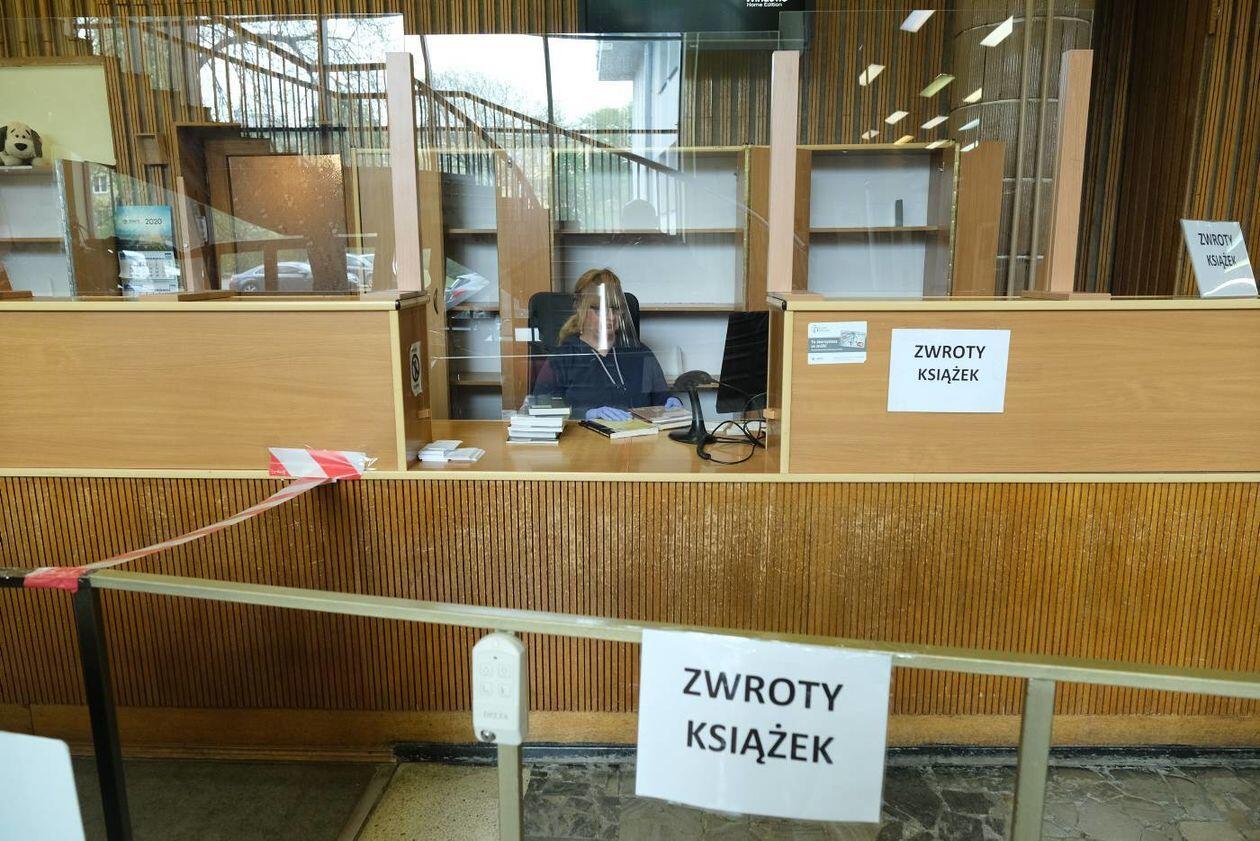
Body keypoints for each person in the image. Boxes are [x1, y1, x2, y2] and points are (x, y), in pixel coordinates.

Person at [533, 268, 684, 421]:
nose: (611, 317)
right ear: (580, 308)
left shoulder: (640, 353)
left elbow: (661, 399)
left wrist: (672, 402)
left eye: (616, 309)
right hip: (583, 436)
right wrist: (585, 414)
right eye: (600, 309)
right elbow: (543, 408)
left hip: (639, 435)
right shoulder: (563, 358)